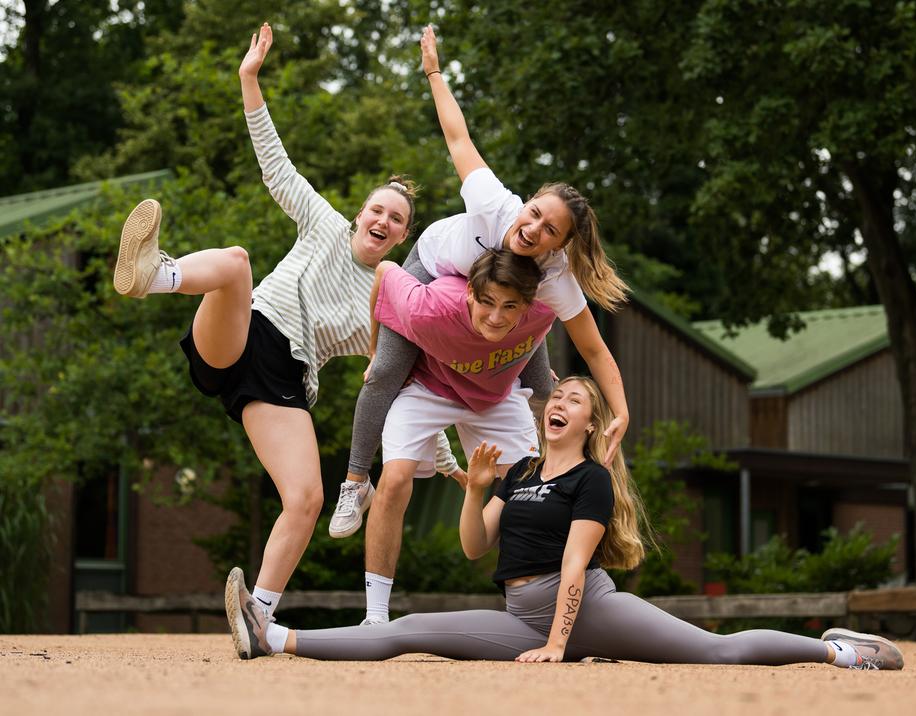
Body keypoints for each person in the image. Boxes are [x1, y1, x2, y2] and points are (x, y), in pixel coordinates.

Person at [112, 23, 462, 652]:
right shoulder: (323, 223)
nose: (383, 220)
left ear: (403, 239)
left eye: (398, 220)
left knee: (307, 497)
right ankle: (153, 275)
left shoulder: (387, 305)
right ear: (360, 215)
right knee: (237, 262)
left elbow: (405, 384)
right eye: (378, 210)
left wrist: (448, 461)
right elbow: (275, 163)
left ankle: (257, 618)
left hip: (282, 383)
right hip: (241, 334)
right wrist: (250, 78)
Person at [226, 376, 904, 671]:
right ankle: (272, 634)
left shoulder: (590, 479)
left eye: (574, 400)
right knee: (407, 631)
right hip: (518, 613)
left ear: (588, 423)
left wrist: (558, 645)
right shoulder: (520, 471)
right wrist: (476, 491)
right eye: (557, 396)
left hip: (583, 612)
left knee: (714, 651)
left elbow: (577, 565)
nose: (558, 403)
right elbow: (472, 550)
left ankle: (845, 654)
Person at [330, 25, 633, 539]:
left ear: (559, 245)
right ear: (527, 202)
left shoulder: (556, 278)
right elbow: (457, 135)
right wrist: (433, 71)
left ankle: (544, 485)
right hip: (436, 268)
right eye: (535, 213)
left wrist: (620, 412)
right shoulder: (496, 206)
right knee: (386, 372)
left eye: (548, 231)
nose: (532, 229)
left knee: (539, 377)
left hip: (502, 298)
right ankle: (356, 480)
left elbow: (596, 350)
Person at [360, 246, 556, 623]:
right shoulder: (429, 306)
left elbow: (567, 339)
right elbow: (384, 274)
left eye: (510, 307)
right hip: (429, 387)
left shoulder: (546, 308)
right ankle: (375, 616)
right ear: (470, 293)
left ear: (527, 304)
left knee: (531, 492)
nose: (496, 318)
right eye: (487, 303)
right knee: (395, 477)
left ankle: (539, 608)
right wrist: (374, 353)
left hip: (496, 394)